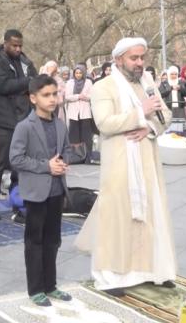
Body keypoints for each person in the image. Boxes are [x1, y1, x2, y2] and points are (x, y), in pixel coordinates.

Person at [74, 37, 175, 293]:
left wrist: (150, 127)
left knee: (151, 214)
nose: (140, 63)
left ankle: (153, 270)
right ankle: (111, 277)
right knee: (117, 216)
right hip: (120, 162)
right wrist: (140, 114)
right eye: (134, 58)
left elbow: (166, 116)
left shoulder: (148, 83)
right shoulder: (103, 87)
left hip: (148, 160)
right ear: (119, 59)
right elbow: (105, 123)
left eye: (142, 58)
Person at [9, 75, 74, 306]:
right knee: (34, 241)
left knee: (53, 240)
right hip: (36, 193)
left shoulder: (59, 124)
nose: (52, 99)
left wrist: (64, 161)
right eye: (46, 95)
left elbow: (66, 150)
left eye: (55, 94)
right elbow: (15, 158)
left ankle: (51, 285)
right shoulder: (24, 127)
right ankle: (35, 288)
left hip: (57, 191)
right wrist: (46, 166)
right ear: (33, 98)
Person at [0, 29, 37, 220]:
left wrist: (24, 84)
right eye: (14, 45)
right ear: (5, 43)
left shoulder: (26, 62)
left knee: (21, 167)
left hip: (24, 120)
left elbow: (35, 84)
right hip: (2, 121)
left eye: (20, 45)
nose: (18, 49)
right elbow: (2, 86)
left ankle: (19, 205)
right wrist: (25, 83)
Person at [65, 65, 94, 163]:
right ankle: (75, 156)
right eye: (76, 73)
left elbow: (92, 95)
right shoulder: (69, 82)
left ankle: (87, 156)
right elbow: (67, 96)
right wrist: (78, 96)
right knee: (74, 135)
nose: (78, 75)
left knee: (86, 135)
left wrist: (84, 97)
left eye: (80, 73)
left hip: (85, 112)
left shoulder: (88, 82)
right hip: (73, 112)